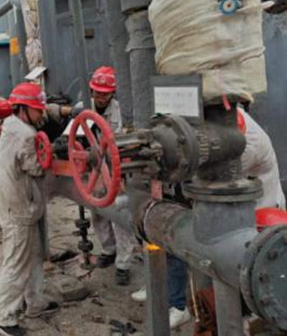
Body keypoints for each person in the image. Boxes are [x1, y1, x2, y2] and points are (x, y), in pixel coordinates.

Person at [131, 107, 286, 329]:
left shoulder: (248, 145)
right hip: (232, 212)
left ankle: (241, 322)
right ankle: (201, 309)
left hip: (258, 215)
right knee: (209, 267)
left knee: (245, 280)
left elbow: (210, 177)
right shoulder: (224, 114)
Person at [0, 82, 59, 336]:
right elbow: (37, 167)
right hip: (20, 208)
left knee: (33, 257)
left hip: (18, 205)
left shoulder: (10, 125)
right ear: (23, 109)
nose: (41, 114)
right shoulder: (25, 134)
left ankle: (35, 302)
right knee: (16, 263)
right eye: (37, 109)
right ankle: (4, 319)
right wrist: (52, 154)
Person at [88, 66, 137, 286]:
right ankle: (108, 249)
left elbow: (126, 145)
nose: (100, 97)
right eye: (97, 92)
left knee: (120, 215)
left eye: (105, 94)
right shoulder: (84, 109)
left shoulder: (121, 113)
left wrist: (123, 174)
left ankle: (123, 264)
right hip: (95, 170)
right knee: (97, 212)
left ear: (112, 94)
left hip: (117, 169)